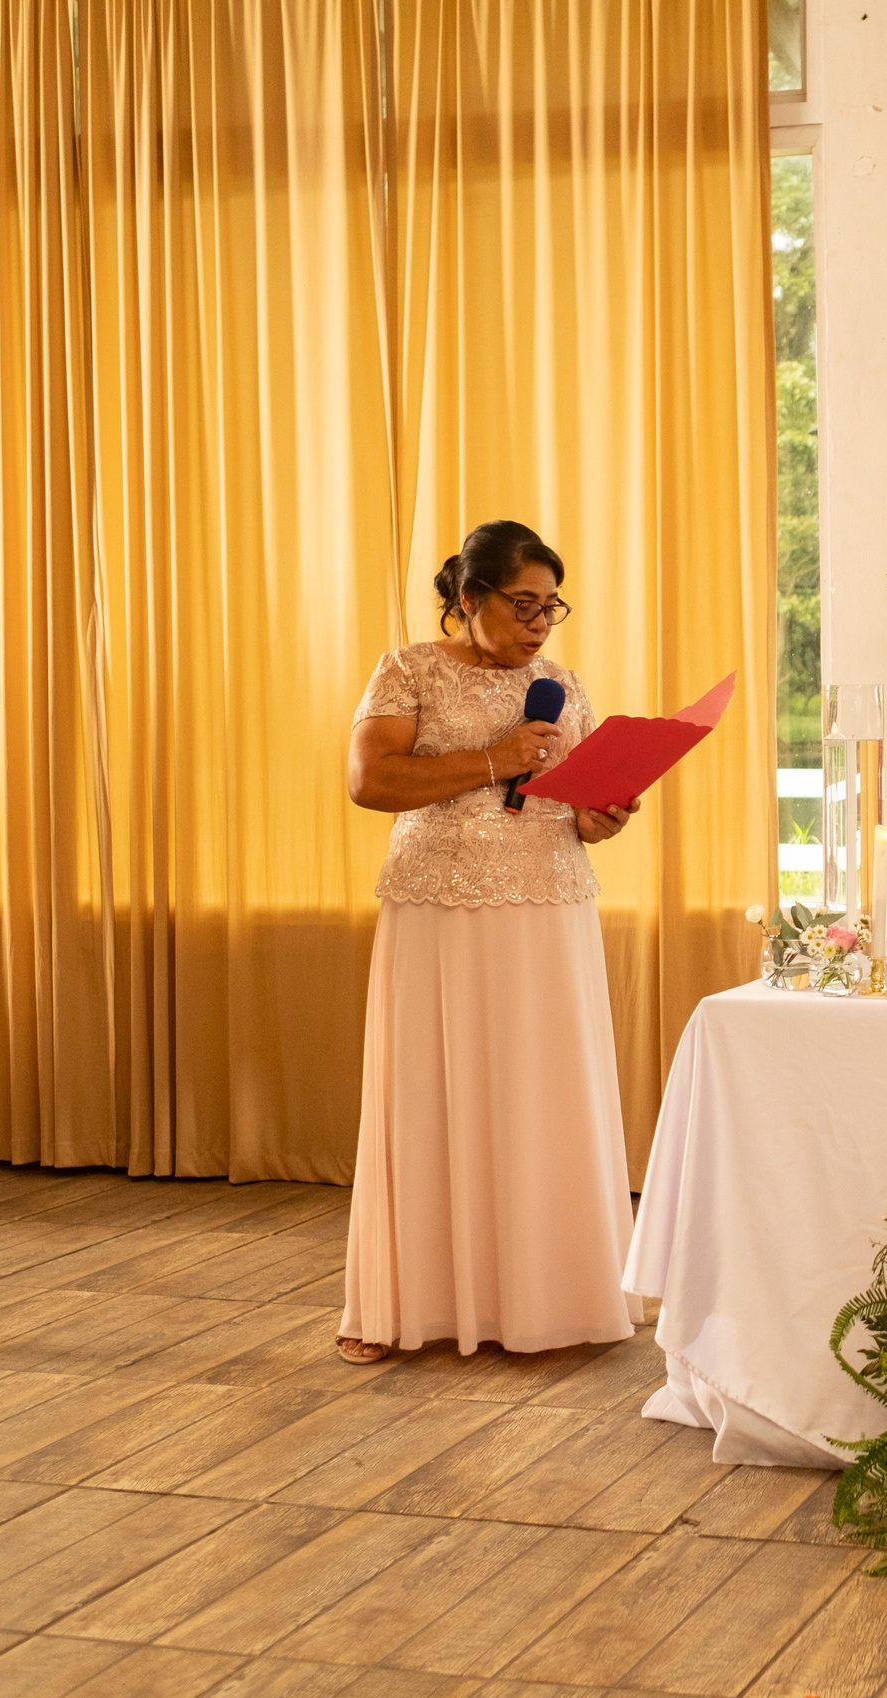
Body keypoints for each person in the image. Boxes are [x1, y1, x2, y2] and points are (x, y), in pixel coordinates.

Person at [335, 520, 637, 1363]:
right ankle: (406, 1303)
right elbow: (370, 781)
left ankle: (556, 1295)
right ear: (468, 599)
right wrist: (491, 758)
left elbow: (577, 806)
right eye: (523, 604)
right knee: (432, 1088)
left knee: (542, 1094)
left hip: (551, 907)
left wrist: (601, 815)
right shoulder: (409, 670)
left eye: (552, 607)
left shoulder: (563, 685)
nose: (540, 623)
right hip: (443, 908)